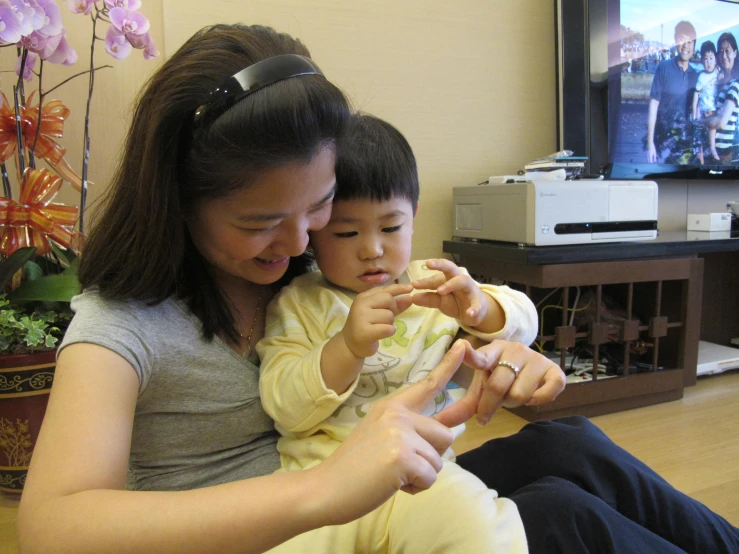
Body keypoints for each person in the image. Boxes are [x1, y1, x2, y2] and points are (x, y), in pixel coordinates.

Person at [15, 21, 739, 554]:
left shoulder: (312, 269)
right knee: (556, 519)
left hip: (361, 498)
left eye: (319, 206)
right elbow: (52, 527)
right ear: (177, 198)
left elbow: (446, 334)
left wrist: (499, 352)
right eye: (262, 220)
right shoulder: (122, 322)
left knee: (567, 447)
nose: (300, 242)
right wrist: (319, 492)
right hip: (272, 534)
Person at [257, 113, 540, 552]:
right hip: (322, 480)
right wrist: (346, 347)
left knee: (485, 531)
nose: (372, 248)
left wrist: (480, 308)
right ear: (313, 235)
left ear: (414, 217)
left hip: (423, 474)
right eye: (347, 231)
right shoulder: (299, 302)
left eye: (390, 227)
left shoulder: (434, 282)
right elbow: (285, 406)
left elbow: (525, 321)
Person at [646, 20, 698, 164]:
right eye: (682, 40)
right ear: (675, 42)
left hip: (686, 144)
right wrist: (650, 144)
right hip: (664, 142)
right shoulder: (663, 67)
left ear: (694, 45)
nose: (686, 46)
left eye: (690, 42)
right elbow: (653, 105)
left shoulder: (696, 75)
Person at [707, 32, 739, 164]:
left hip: (723, 153)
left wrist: (700, 121)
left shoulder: (735, 84)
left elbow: (721, 122)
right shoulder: (722, 82)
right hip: (714, 149)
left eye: (728, 51)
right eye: (721, 52)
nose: (724, 56)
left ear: (735, 53)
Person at [692, 40, 720, 163]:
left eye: (711, 58)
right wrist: (694, 114)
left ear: (715, 59)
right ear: (702, 61)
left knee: (712, 129)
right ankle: (700, 155)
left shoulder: (718, 72)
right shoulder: (701, 77)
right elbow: (696, 96)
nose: (709, 62)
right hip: (704, 110)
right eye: (705, 59)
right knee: (699, 134)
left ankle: (713, 148)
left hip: (714, 109)